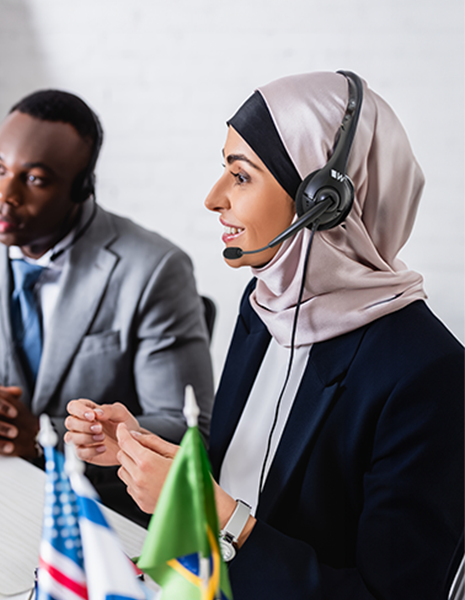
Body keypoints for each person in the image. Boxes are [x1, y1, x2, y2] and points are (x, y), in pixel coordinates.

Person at [65, 72, 464, 598]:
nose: (214, 198)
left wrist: (217, 519)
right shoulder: (264, 310)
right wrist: (142, 454)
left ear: (324, 203)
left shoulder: (429, 374)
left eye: (242, 176)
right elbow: (246, 472)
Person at [0, 89, 214, 521]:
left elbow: (186, 432)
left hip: (103, 519)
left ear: (81, 188)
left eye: (34, 179)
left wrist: (45, 438)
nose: (4, 194)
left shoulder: (154, 270)